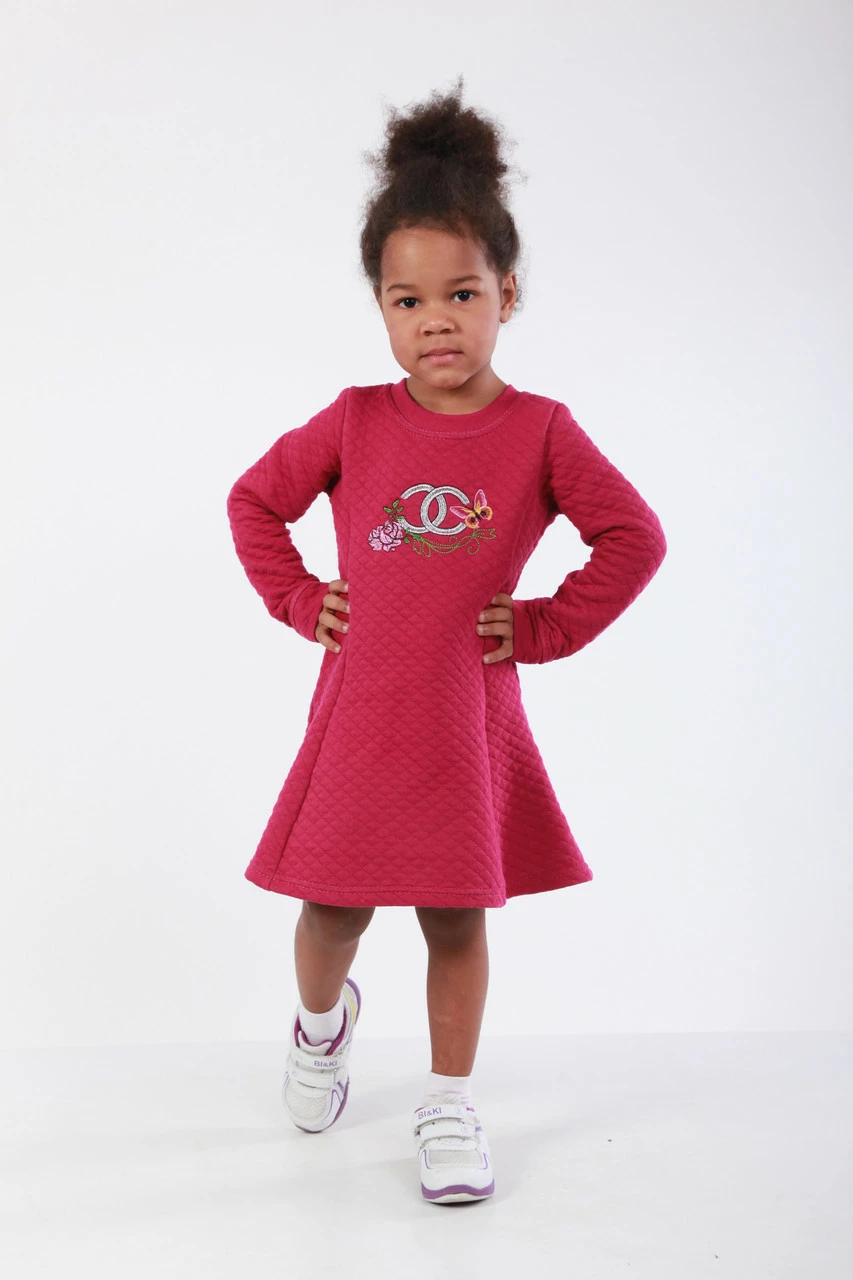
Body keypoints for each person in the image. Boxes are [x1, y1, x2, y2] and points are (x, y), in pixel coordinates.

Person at [225, 75, 667, 1205]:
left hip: (465, 727)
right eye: (407, 299)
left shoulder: (541, 433)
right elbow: (254, 501)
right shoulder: (354, 419)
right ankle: (319, 1028)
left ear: (506, 293)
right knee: (331, 908)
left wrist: (544, 625)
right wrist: (296, 599)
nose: (435, 320)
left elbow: (633, 537)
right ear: (381, 308)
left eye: (461, 293)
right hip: (360, 718)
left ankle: (448, 1100)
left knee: (454, 917)